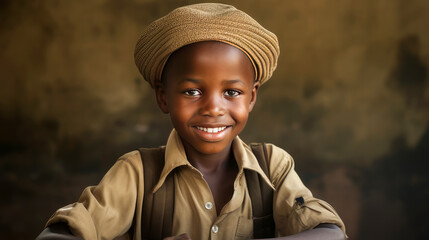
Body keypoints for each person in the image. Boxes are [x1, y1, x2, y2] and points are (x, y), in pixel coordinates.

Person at [36, 3, 346, 240]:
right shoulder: (137, 175)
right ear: (163, 97)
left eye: (231, 91)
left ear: (251, 97)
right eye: (192, 91)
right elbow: (60, 234)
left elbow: (329, 233)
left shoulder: (272, 166)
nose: (213, 107)